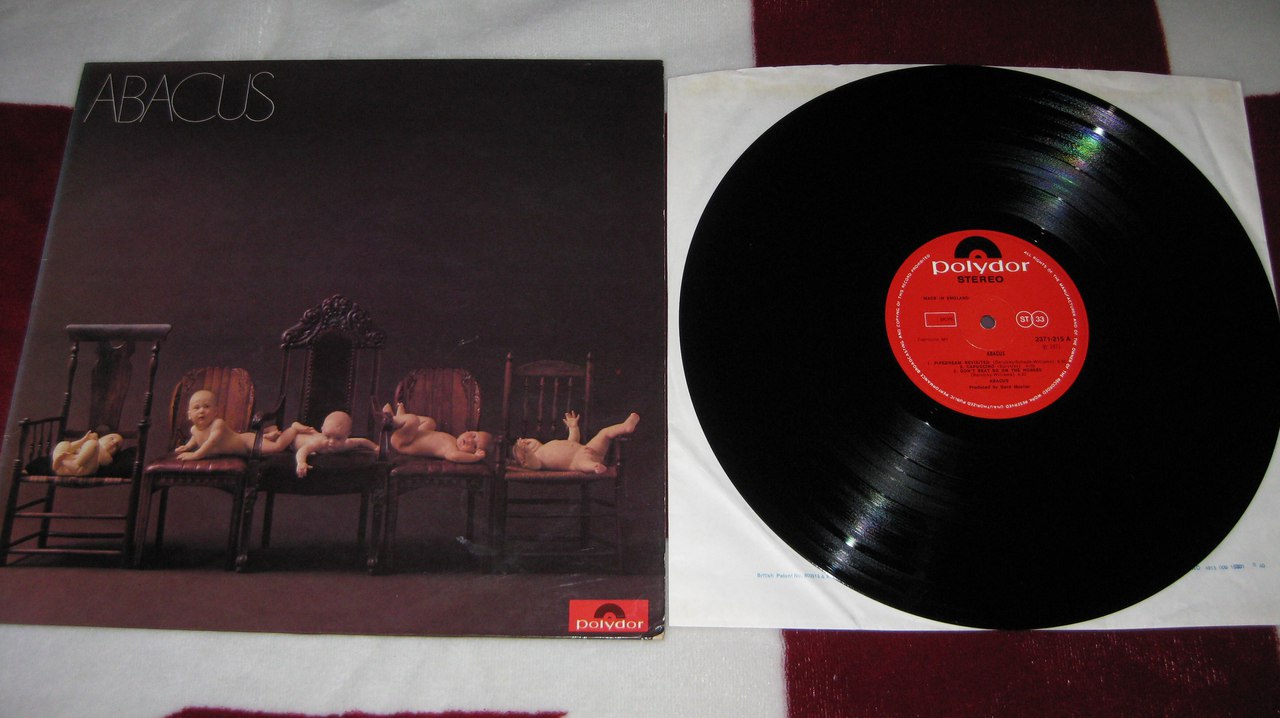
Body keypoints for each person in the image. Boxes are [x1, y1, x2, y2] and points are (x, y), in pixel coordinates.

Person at [175, 389, 307, 461]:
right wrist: (187, 446)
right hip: (243, 444)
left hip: (247, 443)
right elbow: (195, 438)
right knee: (267, 443)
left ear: (215, 412)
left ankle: (293, 429)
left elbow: (211, 442)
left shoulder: (217, 424)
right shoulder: (194, 429)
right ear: (189, 415)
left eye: (206, 406)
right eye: (196, 408)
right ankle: (269, 434)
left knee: (277, 447)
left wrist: (196, 455)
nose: (201, 411)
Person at [511, 410, 639, 474]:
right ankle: (594, 466)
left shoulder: (549, 445)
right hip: (576, 461)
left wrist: (573, 428)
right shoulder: (538, 459)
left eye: (527, 441)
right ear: (524, 460)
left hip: (588, 448)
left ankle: (625, 427)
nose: (527, 443)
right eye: (525, 446)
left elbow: (573, 441)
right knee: (581, 463)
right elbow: (533, 464)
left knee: (604, 433)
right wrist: (526, 452)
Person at [383, 402, 492, 463]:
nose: (470, 441)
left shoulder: (451, 450)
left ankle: (391, 420)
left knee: (413, 420)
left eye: (474, 446)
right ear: (468, 431)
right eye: (473, 436)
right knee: (430, 422)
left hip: (404, 442)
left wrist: (475, 458)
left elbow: (453, 456)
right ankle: (400, 419)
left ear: (468, 454)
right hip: (412, 435)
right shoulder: (453, 440)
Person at [293, 410, 379, 477]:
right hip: (295, 439)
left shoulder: (347, 443)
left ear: (347, 435)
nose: (331, 442)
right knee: (291, 434)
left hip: (312, 436)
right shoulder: (319, 443)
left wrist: (375, 447)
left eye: (338, 438)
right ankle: (295, 427)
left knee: (312, 433)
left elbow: (361, 441)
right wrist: (301, 462)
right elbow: (303, 450)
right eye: (327, 436)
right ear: (322, 430)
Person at [51, 431, 124, 476]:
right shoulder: (86, 443)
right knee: (64, 444)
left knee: (92, 444)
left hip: (81, 469)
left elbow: (104, 460)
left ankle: (74, 463)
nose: (114, 443)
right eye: (112, 438)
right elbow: (71, 447)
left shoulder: (108, 458)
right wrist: (83, 440)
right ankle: (57, 461)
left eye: (117, 446)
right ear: (101, 438)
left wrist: (95, 441)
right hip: (62, 467)